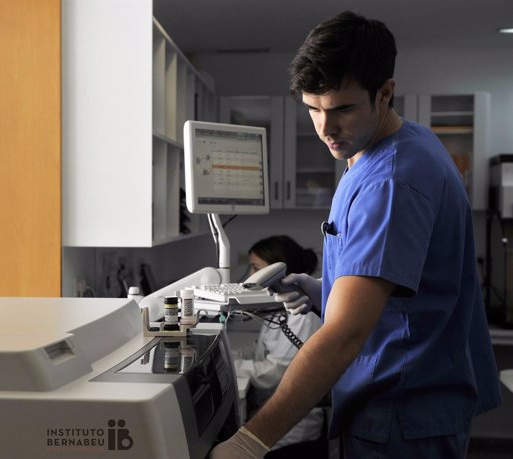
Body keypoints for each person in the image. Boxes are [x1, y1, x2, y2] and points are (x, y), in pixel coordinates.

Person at [211, 11, 501, 459]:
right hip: (407, 402)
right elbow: (399, 286)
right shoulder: (396, 146)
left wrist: (251, 442)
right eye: (313, 108)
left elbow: (345, 334)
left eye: (342, 108)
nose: (326, 128)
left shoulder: (390, 180)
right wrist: (326, 290)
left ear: (384, 93)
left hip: (401, 413)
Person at [233, 236, 324, 458]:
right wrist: (230, 357)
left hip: (293, 433)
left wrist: (234, 367)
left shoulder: (303, 315)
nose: (250, 276)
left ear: (276, 270)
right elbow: (261, 348)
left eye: (255, 268)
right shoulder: (281, 310)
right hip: (275, 417)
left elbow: (277, 372)